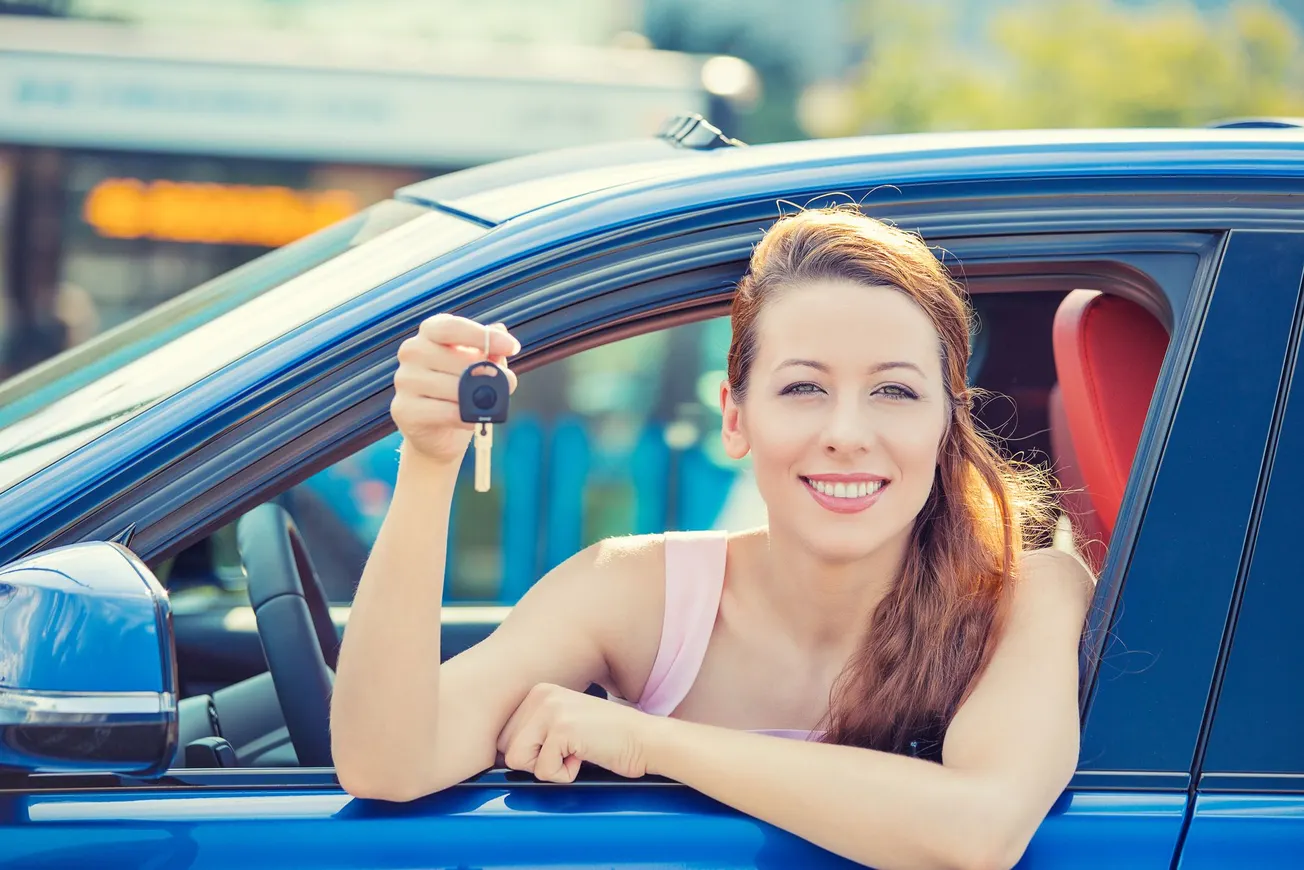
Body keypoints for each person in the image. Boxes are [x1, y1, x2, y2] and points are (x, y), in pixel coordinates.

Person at [330, 206, 1094, 870]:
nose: (847, 434)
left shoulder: (1026, 595)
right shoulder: (636, 588)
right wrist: (430, 466)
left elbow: (979, 831)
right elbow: (390, 762)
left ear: (946, 421)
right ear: (735, 416)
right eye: (803, 388)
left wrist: (649, 745)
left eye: (894, 390)